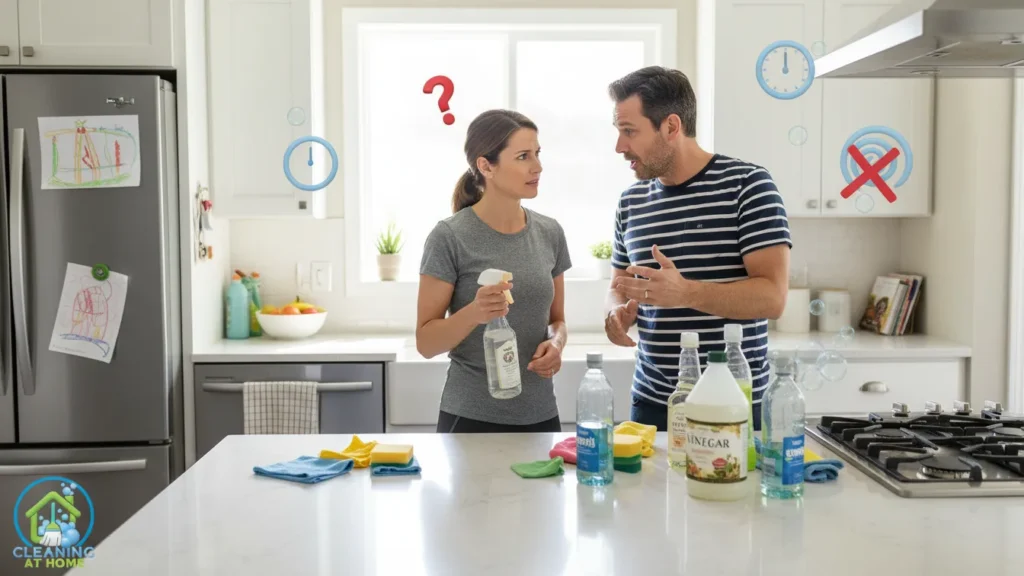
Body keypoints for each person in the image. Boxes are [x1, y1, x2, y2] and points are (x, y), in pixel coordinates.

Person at [603, 66, 792, 431]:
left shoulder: (748, 186)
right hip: (653, 402)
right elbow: (618, 285)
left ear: (671, 126)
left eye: (629, 131)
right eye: (618, 131)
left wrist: (686, 292)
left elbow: (773, 298)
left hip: (734, 401)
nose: (619, 146)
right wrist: (615, 313)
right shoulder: (630, 201)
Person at [416, 109, 573, 434]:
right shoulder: (449, 237)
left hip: (542, 416)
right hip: (469, 419)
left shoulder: (550, 233)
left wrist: (557, 344)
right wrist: (475, 312)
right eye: (523, 156)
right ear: (486, 166)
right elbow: (426, 343)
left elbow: (557, 321)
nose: (537, 166)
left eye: (537, 153)